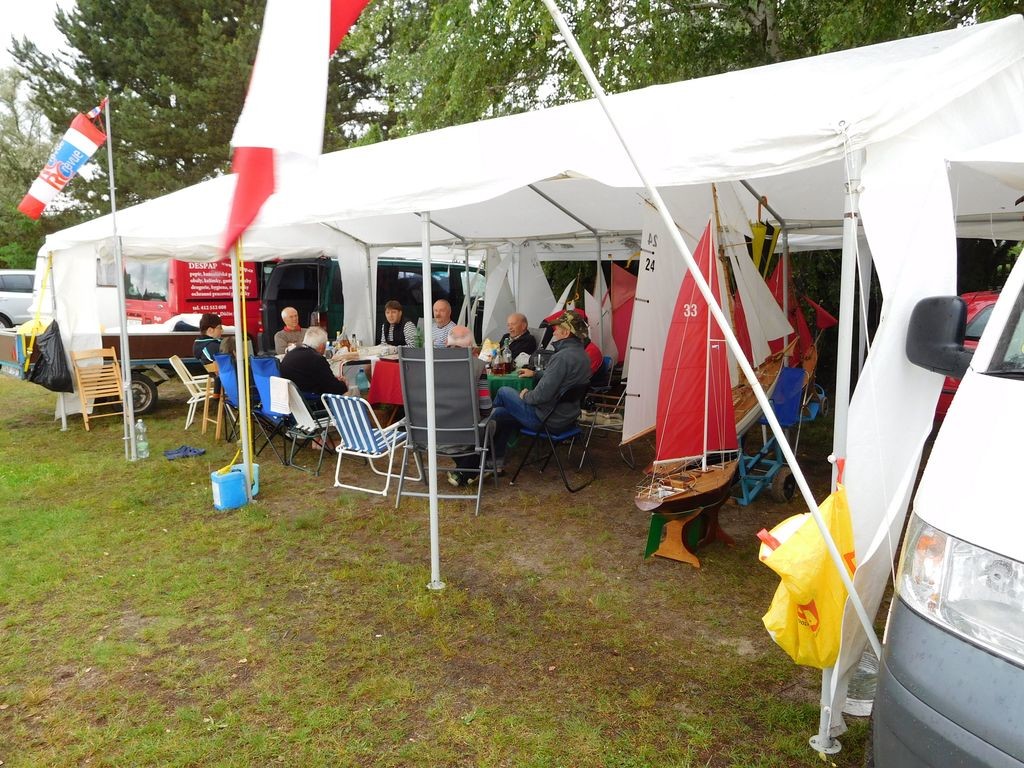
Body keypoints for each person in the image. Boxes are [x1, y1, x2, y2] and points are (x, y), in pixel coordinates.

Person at [489, 310, 592, 472]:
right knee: (501, 413)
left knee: (503, 392)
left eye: (557, 329)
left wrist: (525, 395)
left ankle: (481, 442)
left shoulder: (561, 358)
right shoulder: (582, 355)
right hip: (567, 418)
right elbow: (563, 379)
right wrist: (536, 374)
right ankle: (494, 461)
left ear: (566, 332)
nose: (554, 332)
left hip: (548, 420)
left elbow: (540, 396)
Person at [445, 326, 488, 487]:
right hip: (465, 435)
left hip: (428, 435)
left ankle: (465, 470)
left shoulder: (427, 365)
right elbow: (486, 408)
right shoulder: (478, 366)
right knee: (495, 421)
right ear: (471, 347)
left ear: (446, 344)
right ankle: (473, 469)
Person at [279, 326, 349, 399]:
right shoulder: (317, 359)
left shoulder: (291, 353)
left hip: (292, 398)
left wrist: (333, 379)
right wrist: (344, 384)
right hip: (310, 399)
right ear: (321, 346)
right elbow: (334, 388)